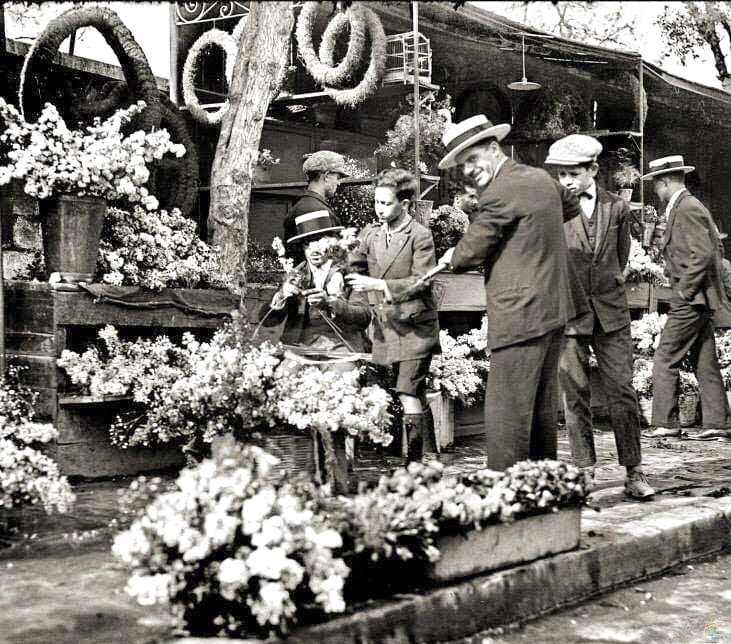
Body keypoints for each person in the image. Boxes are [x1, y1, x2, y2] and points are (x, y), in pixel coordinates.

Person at [437, 114, 586, 472]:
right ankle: (542, 489)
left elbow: (470, 252)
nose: (468, 170)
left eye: (472, 159)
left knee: (506, 412)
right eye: (462, 165)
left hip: (519, 311)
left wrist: (450, 255)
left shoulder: (501, 191)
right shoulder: (539, 179)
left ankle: (506, 491)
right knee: (538, 411)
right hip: (552, 310)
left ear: (493, 148)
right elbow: (571, 206)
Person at [544, 134, 655, 499]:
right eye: (561, 175)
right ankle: (584, 472)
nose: (567, 182)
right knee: (574, 394)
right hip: (570, 314)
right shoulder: (552, 211)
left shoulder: (617, 209)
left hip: (611, 313)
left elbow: (620, 260)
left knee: (622, 391)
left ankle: (634, 472)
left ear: (593, 169)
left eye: (573, 174)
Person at [346, 168, 441, 462]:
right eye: (376, 202)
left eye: (386, 203)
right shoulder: (370, 234)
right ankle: (429, 455)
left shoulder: (420, 236)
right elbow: (356, 273)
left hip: (415, 326)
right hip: (383, 326)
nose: (379, 209)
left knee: (407, 390)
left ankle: (413, 464)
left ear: (406, 204)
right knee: (407, 390)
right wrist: (349, 304)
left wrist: (379, 285)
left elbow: (423, 280)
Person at [642, 155, 730, 439]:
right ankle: (717, 423)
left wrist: (684, 291)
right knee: (705, 361)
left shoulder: (686, 208)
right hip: (700, 299)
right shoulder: (687, 206)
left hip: (691, 299)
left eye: (656, 184)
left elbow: (702, 254)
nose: (656, 190)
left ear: (664, 181)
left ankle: (665, 423)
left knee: (665, 356)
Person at [260, 212, 370, 357]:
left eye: (318, 241)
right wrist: (281, 296)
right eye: (307, 243)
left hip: (341, 347)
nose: (314, 249)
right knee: (284, 375)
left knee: (339, 376)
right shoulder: (295, 274)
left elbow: (364, 318)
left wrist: (331, 303)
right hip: (300, 347)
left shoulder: (349, 273)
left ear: (332, 242)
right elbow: (268, 321)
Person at [283, 150, 349, 263]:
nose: (339, 183)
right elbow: (322, 260)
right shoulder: (313, 210)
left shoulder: (306, 204)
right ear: (327, 176)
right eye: (338, 177)